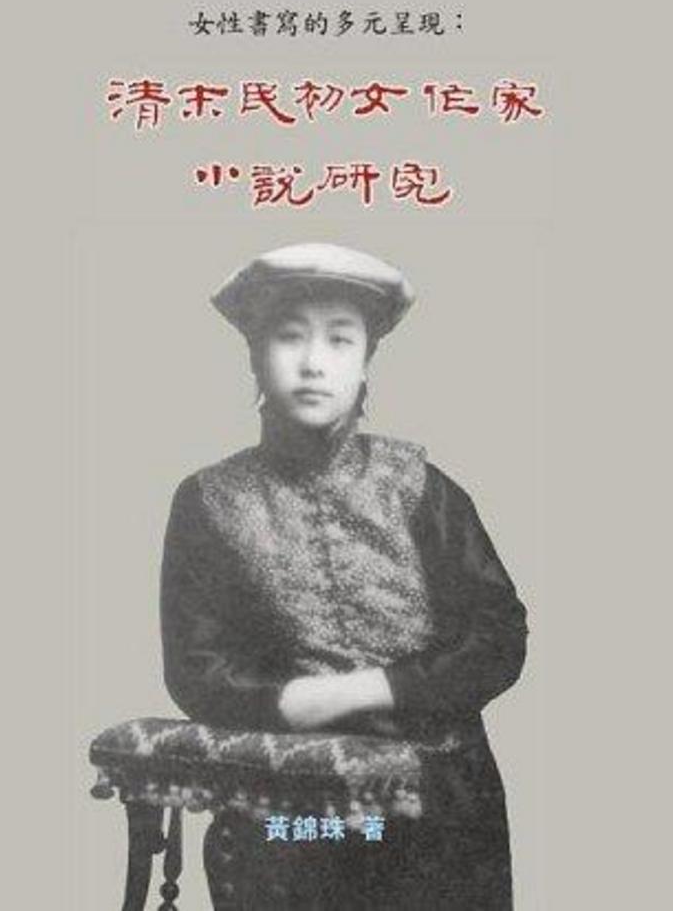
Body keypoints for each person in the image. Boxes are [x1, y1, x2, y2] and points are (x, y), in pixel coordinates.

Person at [160, 242, 528, 910]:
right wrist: (300, 703)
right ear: (254, 355)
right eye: (287, 336)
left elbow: (497, 637)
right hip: (286, 811)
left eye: (339, 339)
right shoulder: (209, 501)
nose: (312, 362)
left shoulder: (421, 489)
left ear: (365, 361)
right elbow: (195, 669)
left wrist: (377, 688)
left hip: (439, 805)